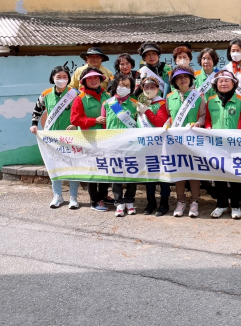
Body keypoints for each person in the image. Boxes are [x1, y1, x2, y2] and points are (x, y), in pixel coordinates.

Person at [205, 69, 241, 219]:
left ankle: (236, 205)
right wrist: (208, 128)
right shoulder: (210, 101)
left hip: (236, 146)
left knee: (235, 177)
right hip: (217, 146)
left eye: (227, 81)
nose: (224, 83)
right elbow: (208, 120)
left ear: (234, 84)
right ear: (216, 84)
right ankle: (221, 204)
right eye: (220, 81)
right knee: (219, 176)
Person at [29, 66, 80, 210]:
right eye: (58, 77)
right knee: (54, 167)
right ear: (52, 78)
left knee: (73, 167)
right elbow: (37, 110)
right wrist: (34, 125)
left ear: (68, 79)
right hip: (52, 138)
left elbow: (81, 113)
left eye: (65, 77)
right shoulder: (46, 94)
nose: (61, 79)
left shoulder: (75, 93)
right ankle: (57, 196)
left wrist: (76, 125)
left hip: (71, 137)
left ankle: (73, 197)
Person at [70, 67, 114, 211]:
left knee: (105, 167)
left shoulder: (108, 96)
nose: (94, 80)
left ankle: (103, 195)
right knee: (92, 169)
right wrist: (94, 120)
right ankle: (95, 200)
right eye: (90, 78)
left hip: (106, 139)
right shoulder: (80, 98)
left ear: (101, 79)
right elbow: (75, 119)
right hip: (89, 140)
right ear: (84, 81)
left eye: (96, 77)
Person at [165, 66, 206, 218]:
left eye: (186, 77)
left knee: (194, 170)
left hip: (193, 139)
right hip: (176, 141)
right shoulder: (170, 97)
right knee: (179, 170)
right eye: (179, 77)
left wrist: (199, 123)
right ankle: (180, 201)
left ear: (190, 79)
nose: (183, 79)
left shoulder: (199, 95)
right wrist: (165, 125)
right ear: (174, 81)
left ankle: (195, 201)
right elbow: (169, 116)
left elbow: (203, 115)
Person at [101, 73, 140, 217]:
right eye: (121, 85)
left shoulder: (135, 104)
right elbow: (104, 125)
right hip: (113, 144)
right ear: (115, 86)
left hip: (131, 145)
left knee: (132, 172)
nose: (124, 87)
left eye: (127, 85)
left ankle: (130, 200)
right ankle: (118, 202)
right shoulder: (107, 104)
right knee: (115, 173)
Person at [135, 77, 171, 216]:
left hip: (160, 145)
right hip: (144, 144)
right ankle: (151, 202)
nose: (149, 89)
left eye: (152, 87)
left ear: (157, 88)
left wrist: (147, 111)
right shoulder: (139, 103)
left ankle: (164, 203)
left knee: (163, 173)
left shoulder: (162, 103)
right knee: (149, 174)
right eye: (146, 87)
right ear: (142, 88)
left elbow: (158, 122)